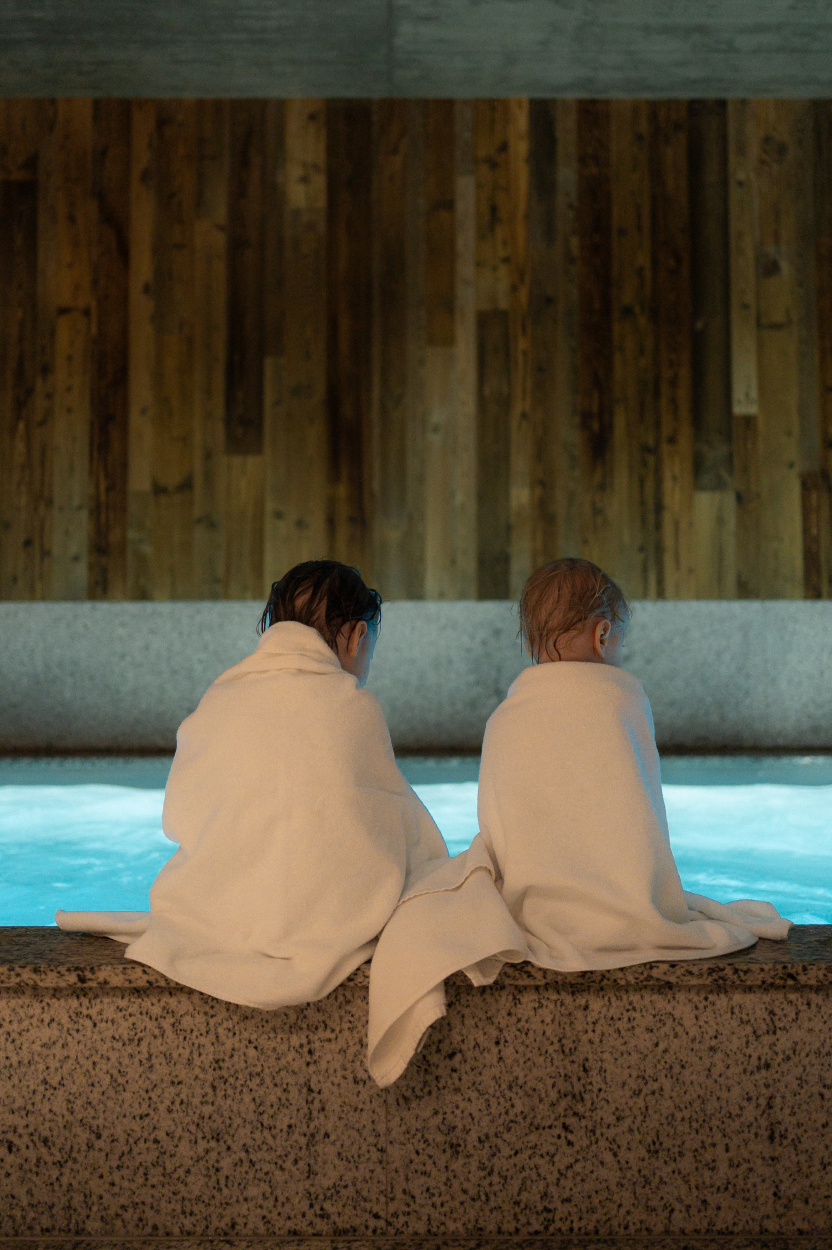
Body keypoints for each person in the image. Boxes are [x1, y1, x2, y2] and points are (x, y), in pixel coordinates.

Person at [367, 557, 791, 1088]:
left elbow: (501, 826)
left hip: (536, 912)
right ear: (603, 633)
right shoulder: (619, 701)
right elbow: (638, 818)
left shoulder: (506, 719)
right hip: (629, 902)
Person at [57, 560, 447, 1009]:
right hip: (325, 915)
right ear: (358, 636)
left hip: (216, 911)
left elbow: (180, 817)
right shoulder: (353, 707)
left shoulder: (219, 700)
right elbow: (389, 823)